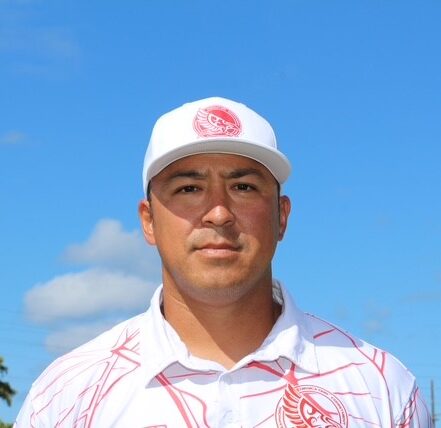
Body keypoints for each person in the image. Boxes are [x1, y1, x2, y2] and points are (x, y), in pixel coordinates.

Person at [15, 97, 431, 427]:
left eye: (244, 186)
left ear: (281, 216)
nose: (218, 212)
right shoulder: (67, 394)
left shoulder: (381, 386)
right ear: (148, 221)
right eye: (189, 188)